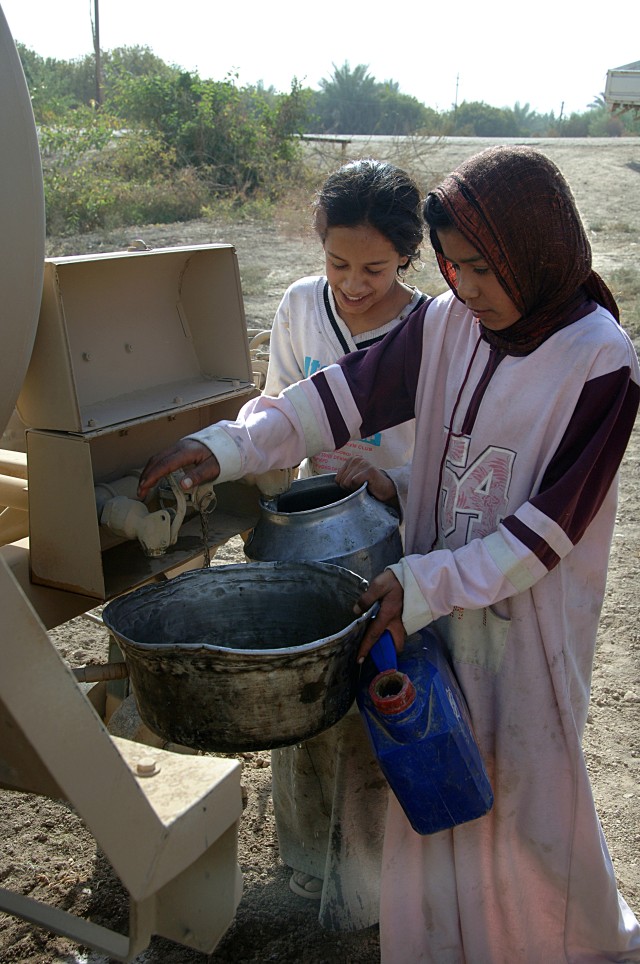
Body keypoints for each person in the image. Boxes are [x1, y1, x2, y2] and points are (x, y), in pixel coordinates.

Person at [138, 145, 640, 963]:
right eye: (453, 266)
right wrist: (226, 448)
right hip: (432, 605)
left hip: (526, 624)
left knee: (528, 796)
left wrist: (427, 581)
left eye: (481, 267)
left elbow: (551, 530)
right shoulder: (447, 325)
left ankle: (577, 946)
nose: (465, 287)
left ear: (532, 248)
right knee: (435, 779)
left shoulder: (600, 361)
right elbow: (336, 398)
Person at [263, 158, 426, 928]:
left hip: (389, 547)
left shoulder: (434, 328)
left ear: (408, 258)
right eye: (337, 263)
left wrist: (392, 477)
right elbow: (274, 406)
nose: (353, 284)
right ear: (317, 245)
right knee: (299, 700)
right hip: (308, 538)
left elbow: (448, 454)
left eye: (375, 267)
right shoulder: (300, 307)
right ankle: (304, 858)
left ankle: (370, 878)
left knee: (372, 703)